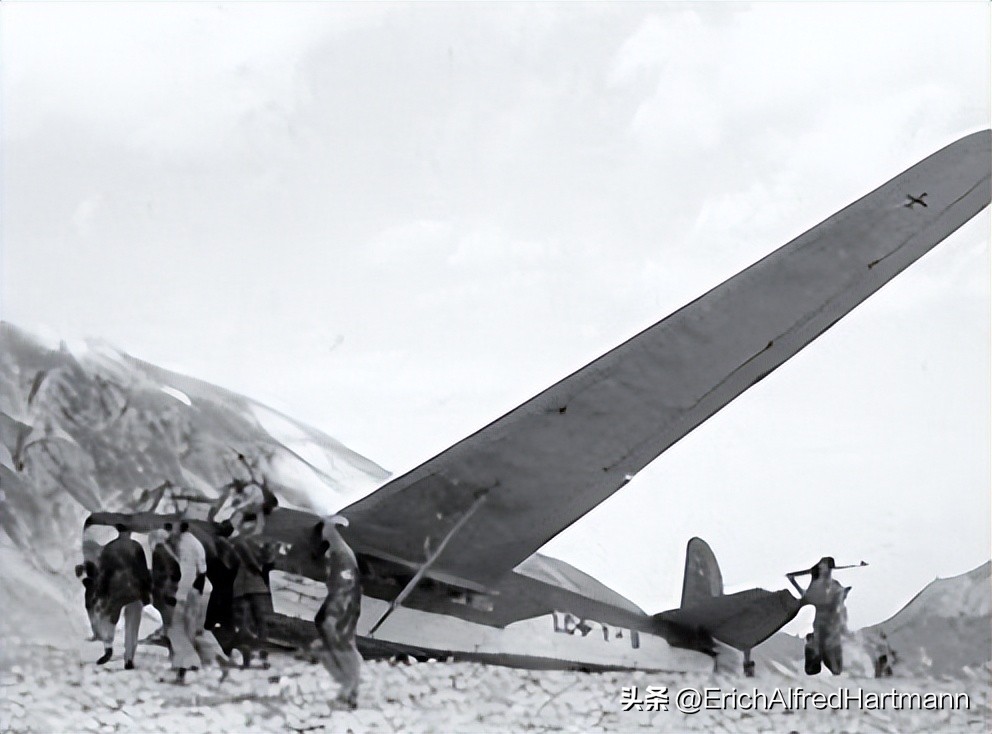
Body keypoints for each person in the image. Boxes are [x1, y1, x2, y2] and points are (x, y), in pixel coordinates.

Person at [312, 515, 363, 710]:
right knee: (332, 631)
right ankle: (350, 689)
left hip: (343, 604)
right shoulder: (339, 556)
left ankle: (348, 688)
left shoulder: (340, 554)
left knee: (332, 630)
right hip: (344, 603)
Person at [91, 524, 152, 670]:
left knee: (110, 620)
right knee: (132, 626)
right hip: (134, 591)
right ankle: (129, 658)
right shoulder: (136, 547)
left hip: (115, 590)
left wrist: (101, 592)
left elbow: (103, 572)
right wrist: (147, 592)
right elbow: (143, 572)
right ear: (130, 532)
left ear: (118, 531)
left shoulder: (109, 548)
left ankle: (108, 646)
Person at [788, 557, 849, 675]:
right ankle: (822, 571)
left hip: (824, 616)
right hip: (826, 616)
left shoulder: (818, 652)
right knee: (816, 596)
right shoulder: (820, 651)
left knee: (813, 596)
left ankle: (820, 573)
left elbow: (812, 639)